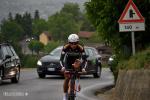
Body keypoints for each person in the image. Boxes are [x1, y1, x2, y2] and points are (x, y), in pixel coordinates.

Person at [60, 34, 87, 100]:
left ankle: (77, 84)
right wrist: (63, 67)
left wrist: (83, 68)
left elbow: (85, 60)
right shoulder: (65, 47)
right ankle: (64, 95)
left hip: (76, 62)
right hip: (68, 63)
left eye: (75, 43)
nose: (73, 45)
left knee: (78, 71)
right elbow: (61, 59)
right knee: (66, 78)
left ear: (78, 42)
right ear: (69, 42)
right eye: (71, 43)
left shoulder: (81, 48)